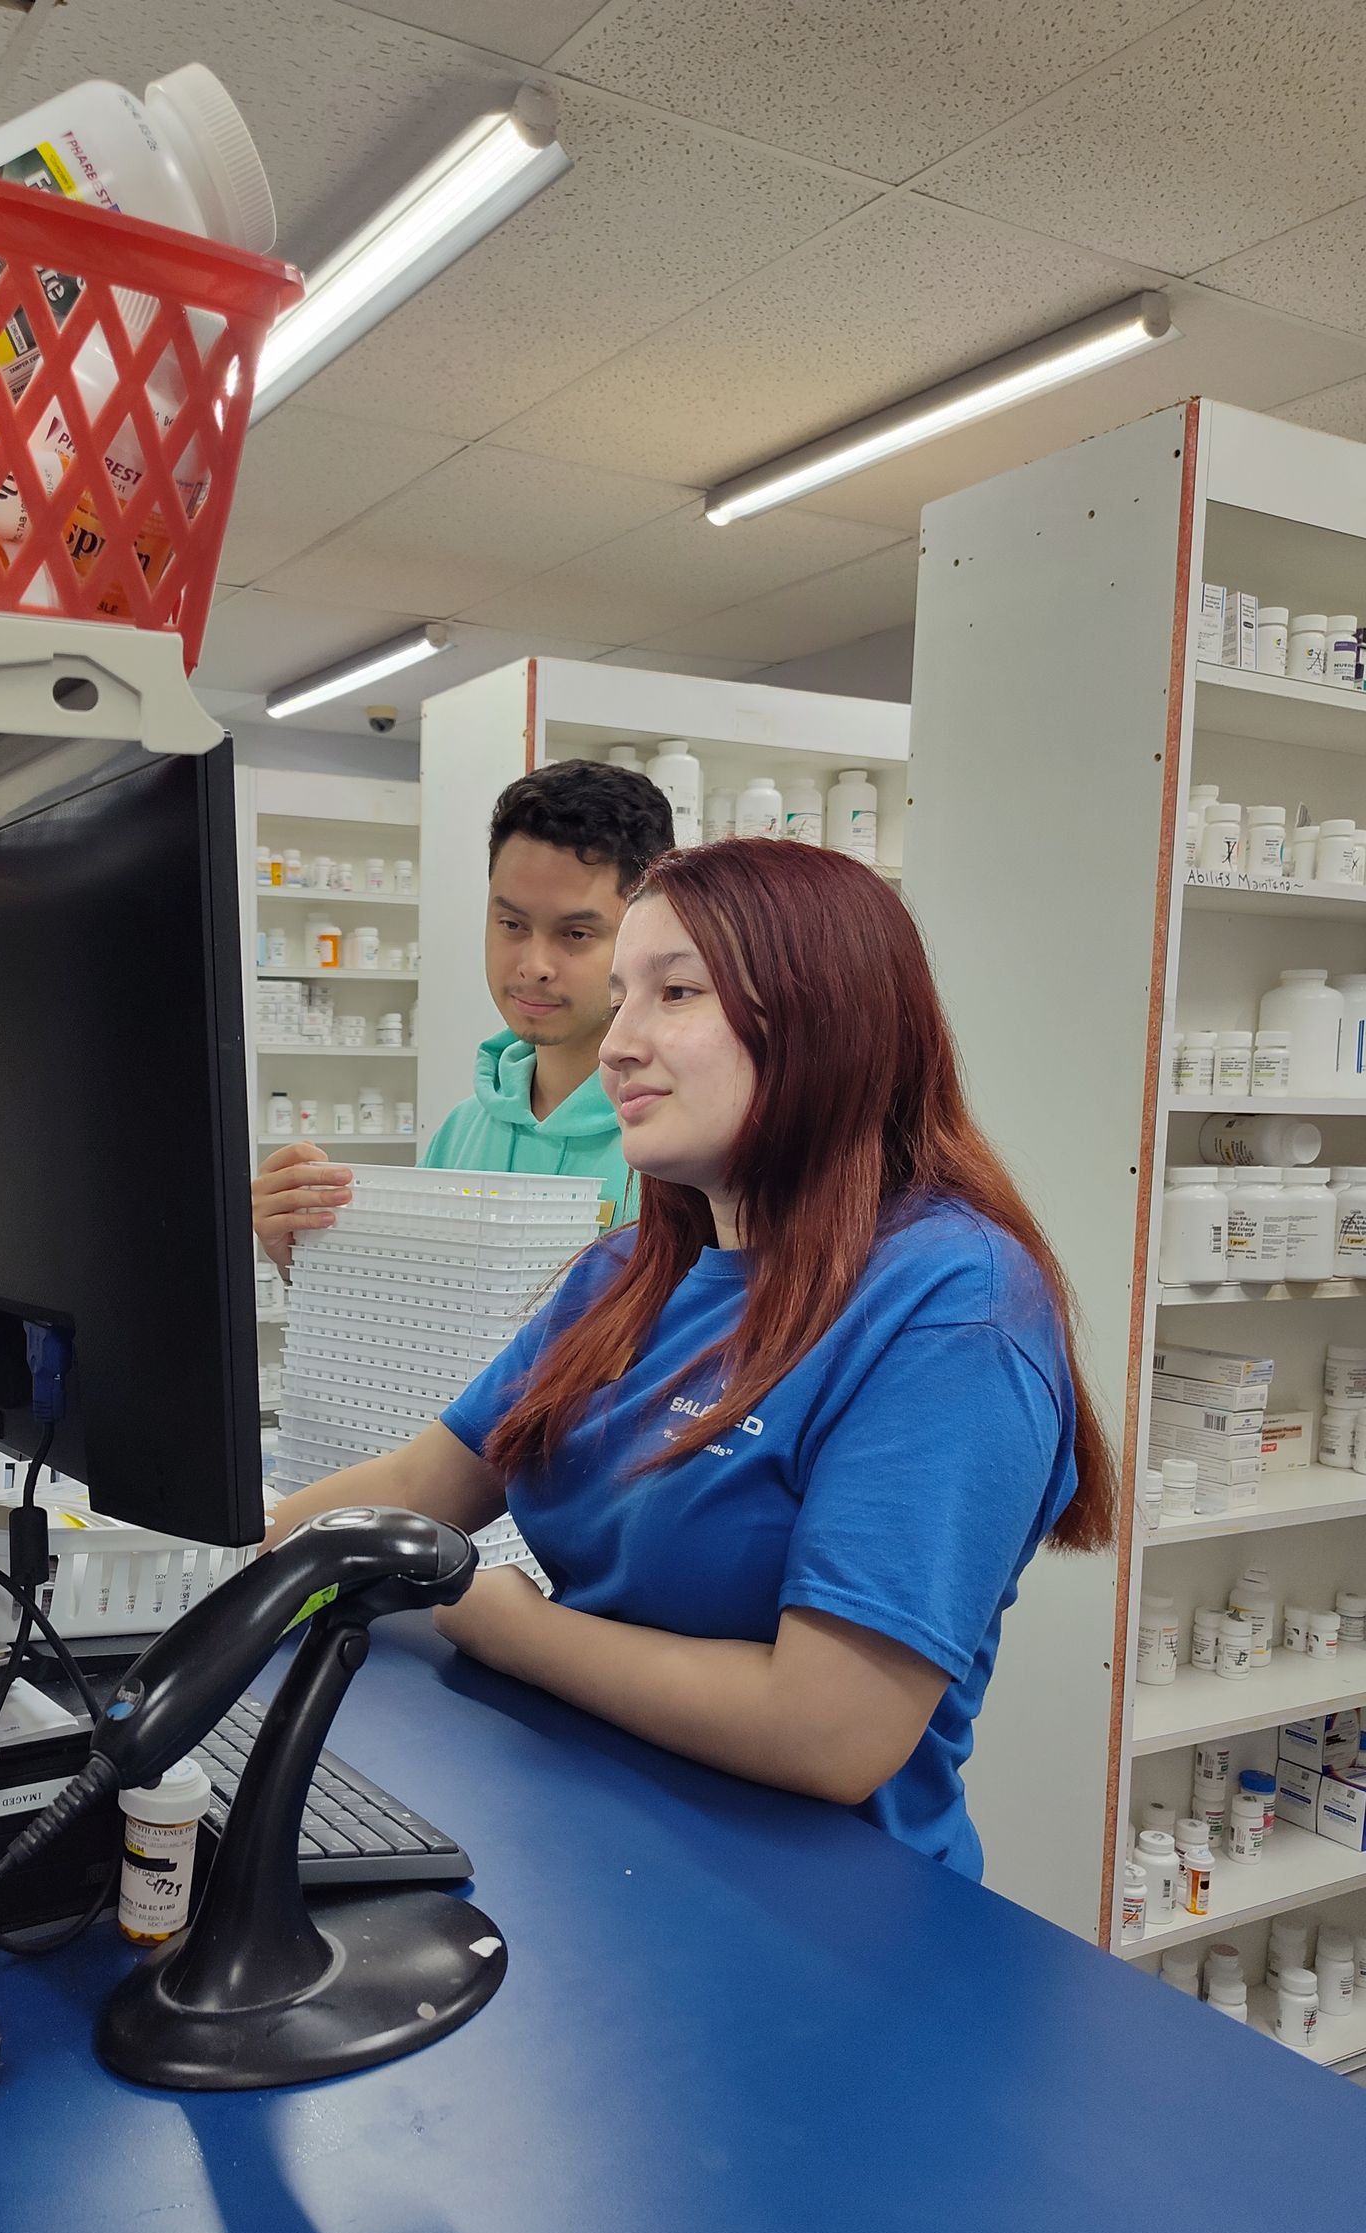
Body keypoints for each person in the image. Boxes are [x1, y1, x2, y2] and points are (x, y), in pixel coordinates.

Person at [265, 837, 1115, 1874]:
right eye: (621, 996)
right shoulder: (629, 1273)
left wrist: (506, 1626)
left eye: (675, 993)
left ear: (824, 1018)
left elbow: (829, 1730)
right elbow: (420, 1483)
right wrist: (216, 1545)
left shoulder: (954, 1306)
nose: (617, 1042)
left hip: (816, 1909)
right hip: (584, 1825)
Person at [252, 760, 672, 1278]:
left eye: (576, 934)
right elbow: (426, 1326)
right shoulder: (460, 1134)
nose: (533, 966)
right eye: (512, 923)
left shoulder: (675, 1142)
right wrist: (308, 1261)